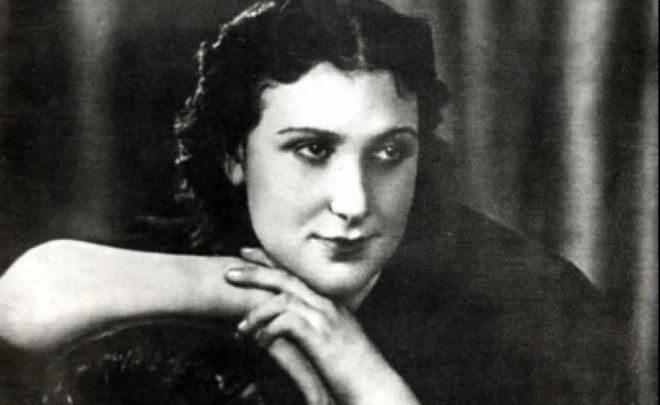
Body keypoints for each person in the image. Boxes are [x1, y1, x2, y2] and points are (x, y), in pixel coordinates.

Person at [0, 0, 626, 404]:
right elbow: (17, 302)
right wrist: (248, 292)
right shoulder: (207, 247)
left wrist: (363, 372)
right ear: (235, 155)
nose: (354, 202)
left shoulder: (528, 302)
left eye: (390, 152)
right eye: (312, 150)